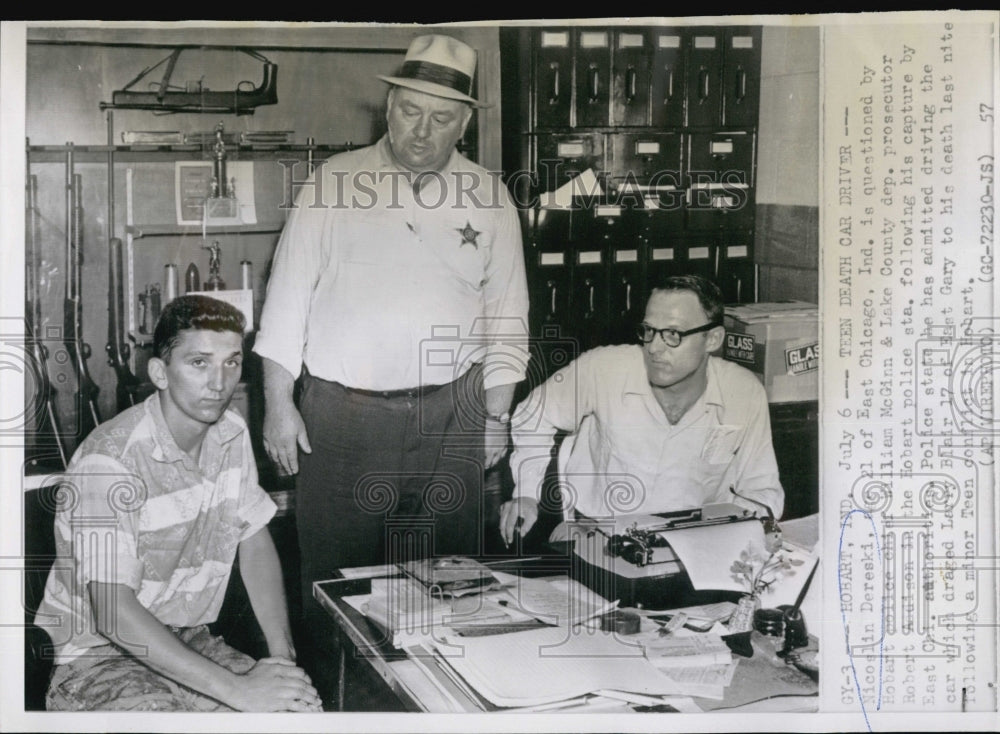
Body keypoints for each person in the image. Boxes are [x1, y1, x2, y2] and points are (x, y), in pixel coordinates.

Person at [254, 33, 529, 580]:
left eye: (442, 118)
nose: (422, 131)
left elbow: (508, 316)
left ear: (465, 124)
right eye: (410, 111)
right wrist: (278, 406)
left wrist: (497, 417)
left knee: (450, 578)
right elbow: (284, 304)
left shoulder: (490, 196)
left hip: (452, 415)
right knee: (336, 580)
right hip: (343, 419)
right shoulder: (331, 184)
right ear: (389, 107)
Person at [35, 295, 320, 712]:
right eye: (199, 363)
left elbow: (253, 539)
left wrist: (281, 659)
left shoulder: (231, 433)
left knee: (298, 712)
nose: (220, 383)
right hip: (96, 657)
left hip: (189, 639)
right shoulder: (109, 461)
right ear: (160, 373)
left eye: (232, 362)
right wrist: (239, 690)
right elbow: (113, 613)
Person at [500, 275, 783, 545]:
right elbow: (532, 414)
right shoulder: (603, 368)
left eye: (673, 334)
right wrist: (526, 493)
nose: (655, 348)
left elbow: (761, 487)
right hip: (596, 531)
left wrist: (736, 533)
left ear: (712, 339)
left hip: (693, 537)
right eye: (649, 331)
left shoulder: (744, 393)